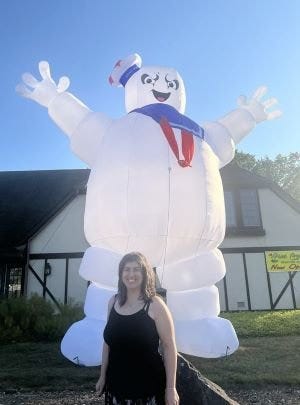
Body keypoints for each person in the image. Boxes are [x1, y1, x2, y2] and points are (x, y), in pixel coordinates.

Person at [95, 252, 179, 405]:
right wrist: (102, 376)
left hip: (148, 389)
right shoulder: (113, 302)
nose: (131, 274)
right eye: (127, 269)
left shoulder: (155, 305)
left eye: (136, 269)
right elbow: (108, 343)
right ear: (121, 273)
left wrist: (171, 389)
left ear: (145, 273)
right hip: (116, 387)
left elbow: (169, 346)